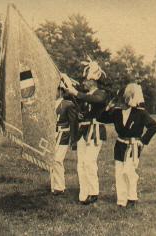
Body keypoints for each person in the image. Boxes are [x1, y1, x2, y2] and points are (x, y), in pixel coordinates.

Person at [99, 83, 156, 207]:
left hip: (133, 146)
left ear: (130, 99)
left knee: (129, 171)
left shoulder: (140, 113)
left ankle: (132, 197)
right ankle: (121, 200)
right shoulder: (116, 112)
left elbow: (154, 126)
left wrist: (142, 141)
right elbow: (101, 119)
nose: (121, 103)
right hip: (120, 145)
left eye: (124, 100)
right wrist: (107, 108)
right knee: (119, 172)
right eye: (120, 101)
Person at [62, 57, 108, 205]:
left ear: (93, 80)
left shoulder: (101, 93)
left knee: (89, 161)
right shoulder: (85, 94)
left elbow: (96, 100)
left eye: (86, 80)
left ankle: (94, 192)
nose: (84, 82)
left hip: (95, 131)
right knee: (81, 163)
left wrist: (75, 93)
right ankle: (84, 194)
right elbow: (81, 101)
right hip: (84, 131)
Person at [51, 82, 79, 195]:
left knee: (57, 159)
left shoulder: (68, 104)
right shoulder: (50, 103)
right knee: (52, 160)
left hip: (64, 134)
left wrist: (74, 140)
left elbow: (73, 123)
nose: (53, 92)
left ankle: (59, 186)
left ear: (61, 91)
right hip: (52, 134)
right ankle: (54, 185)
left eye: (55, 90)